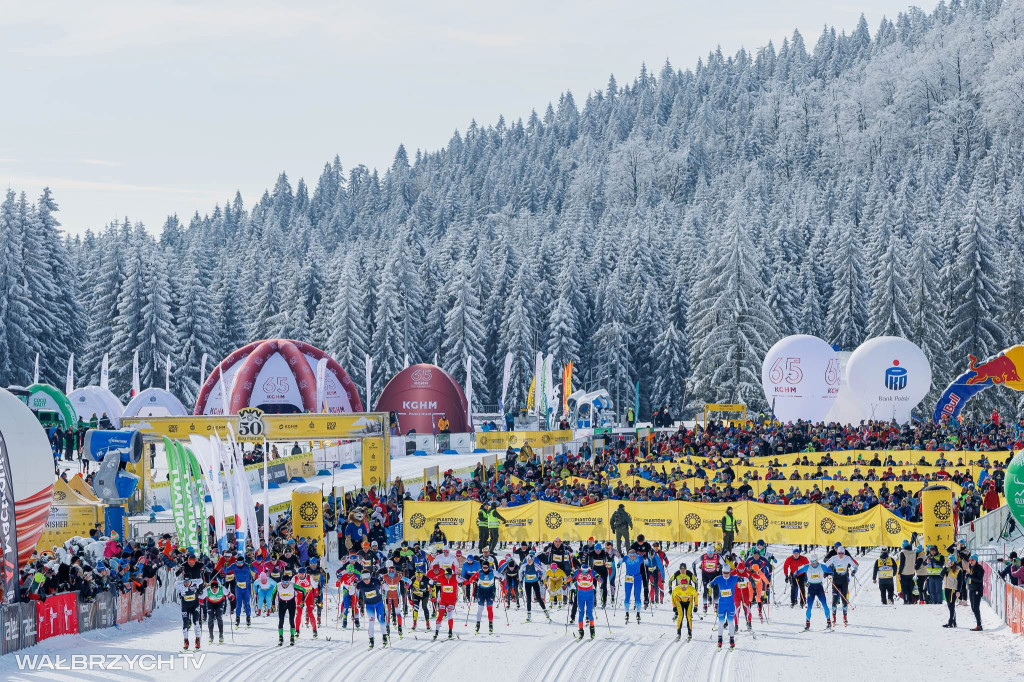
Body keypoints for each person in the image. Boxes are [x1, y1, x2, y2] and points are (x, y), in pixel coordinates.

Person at [796, 554, 832, 630]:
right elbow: (799, 571)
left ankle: (829, 622)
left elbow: (830, 571)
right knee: (809, 607)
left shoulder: (822, 566)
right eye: (811, 561)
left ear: (817, 560)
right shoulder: (807, 566)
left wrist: (828, 573)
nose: (812, 563)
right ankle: (807, 623)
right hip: (811, 588)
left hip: (819, 587)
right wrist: (795, 574)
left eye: (814, 561)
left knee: (824, 604)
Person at [824, 546, 857, 626]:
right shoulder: (834, 558)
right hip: (836, 580)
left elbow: (855, 566)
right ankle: (834, 618)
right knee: (834, 599)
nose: (840, 555)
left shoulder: (847, 558)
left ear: (844, 553)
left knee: (844, 599)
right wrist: (826, 572)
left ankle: (845, 617)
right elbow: (825, 565)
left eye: (842, 553)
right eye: (839, 553)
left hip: (844, 580)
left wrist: (854, 571)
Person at [709, 563, 738, 650]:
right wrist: (710, 585)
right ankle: (719, 639)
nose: (725, 575)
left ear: (730, 572)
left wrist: (749, 579)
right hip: (721, 605)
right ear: (722, 572)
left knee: (730, 622)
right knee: (721, 622)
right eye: (724, 573)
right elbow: (709, 584)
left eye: (727, 573)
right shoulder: (718, 578)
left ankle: (732, 640)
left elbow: (745, 579)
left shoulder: (733, 578)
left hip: (730, 605)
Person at [467, 561, 498, 635]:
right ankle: (477, 625)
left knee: (489, 608)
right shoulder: (479, 572)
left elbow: (501, 576)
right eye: (483, 567)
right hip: (481, 592)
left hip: (490, 592)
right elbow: (470, 579)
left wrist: (501, 579)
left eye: (486, 567)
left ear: (488, 567)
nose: (485, 569)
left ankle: (491, 625)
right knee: (480, 609)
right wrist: (473, 581)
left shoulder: (492, 571)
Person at [571, 562, 598, 640]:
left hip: (590, 595)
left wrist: (598, 576)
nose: (585, 573)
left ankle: (592, 631)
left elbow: (601, 581)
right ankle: (581, 632)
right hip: (580, 595)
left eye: (586, 571)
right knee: (581, 613)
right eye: (583, 571)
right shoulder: (577, 572)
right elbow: (568, 579)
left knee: (589, 614)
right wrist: (571, 574)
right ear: (581, 569)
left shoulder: (592, 572)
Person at [519, 555, 550, 622]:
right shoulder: (524, 566)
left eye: (530, 560)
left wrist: (541, 579)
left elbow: (544, 571)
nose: (529, 562)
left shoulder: (536, 565)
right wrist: (520, 580)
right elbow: (520, 572)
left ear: (533, 560)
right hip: (527, 583)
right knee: (529, 599)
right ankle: (529, 616)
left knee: (539, 598)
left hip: (535, 582)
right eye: (528, 560)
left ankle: (546, 613)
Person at [176, 578, 204, 651]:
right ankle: (186, 641)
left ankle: (197, 640)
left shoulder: (195, 583)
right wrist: (182, 582)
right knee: (185, 623)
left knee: (196, 622)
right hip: (185, 607)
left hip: (195, 606)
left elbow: (201, 580)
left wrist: (194, 583)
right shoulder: (180, 585)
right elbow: (175, 583)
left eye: (188, 582)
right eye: (185, 582)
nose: (187, 584)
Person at [432, 565, 459, 640]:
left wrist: (462, 583)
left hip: (451, 601)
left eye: (449, 575)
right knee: (440, 615)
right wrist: (432, 582)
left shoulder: (455, 577)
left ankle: (450, 632)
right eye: (446, 575)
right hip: (443, 601)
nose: (447, 576)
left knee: (449, 615)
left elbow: (466, 581)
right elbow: (432, 580)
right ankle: (436, 632)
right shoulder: (441, 576)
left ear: (451, 574)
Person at [671, 572, 699, 641]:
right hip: (679, 602)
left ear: (688, 585)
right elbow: (673, 597)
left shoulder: (691, 589)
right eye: (682, 586)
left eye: (685, 586)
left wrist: (696, 606)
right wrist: (674, 606)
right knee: (680, 616)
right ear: (679, 585)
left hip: (688, 602)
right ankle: (678, 633)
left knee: (688, 616)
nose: (683, 587)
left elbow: (696, 596)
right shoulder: (676, 589)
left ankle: (689, 633)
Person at [619, 548, 644, 623]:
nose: (632, 557)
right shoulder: (626, 558)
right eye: (631, 555)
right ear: (628, 555)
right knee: (627, 595)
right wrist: (621, 557)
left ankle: (638, 614)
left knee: (637, 595)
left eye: (634, 556)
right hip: (628, 577)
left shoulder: (639, 557)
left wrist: (645, 558)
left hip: (637, 577)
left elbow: (648, 563)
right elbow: (619, 562)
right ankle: (627, 613)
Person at [276, 569, 298, 646]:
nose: (285, 584)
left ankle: (292, 638)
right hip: (282, 603)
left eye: (286, 582)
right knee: (281, 620)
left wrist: (302, 600)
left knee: (291, 620)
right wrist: (272, 604)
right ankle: (280, 638)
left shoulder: (292, 585)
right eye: (283, 582)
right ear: (281, 581)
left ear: (289, 581)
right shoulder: (278, 585)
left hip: (291, 603)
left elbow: (303, 590)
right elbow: (273, 594)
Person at [204, 577, 227, 644]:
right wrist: (200, 601)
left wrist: (231, 597)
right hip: (210, 603)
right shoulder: (207, 590)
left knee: (219, 617)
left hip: (220, 602)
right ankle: (211, 636)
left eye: (215, 588)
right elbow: (200, 597)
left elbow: (229, 594)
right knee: (210, 618)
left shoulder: (221, 588)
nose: (214, 590)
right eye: (213, 588)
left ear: (218, 587)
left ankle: (221, 635)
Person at [940, 554, 961, 628]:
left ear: (954, 561)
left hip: (952, 589)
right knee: (949, 605)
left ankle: (950, 622)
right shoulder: (947, 568)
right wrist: (946, 567)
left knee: (951, 605)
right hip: (946, 587)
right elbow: (941, 574)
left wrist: (958, 591)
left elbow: (960, 581)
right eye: (949, 560)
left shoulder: (958, 569)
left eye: (952, 561)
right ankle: (953, 622)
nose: (950, 562)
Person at [966, 553, 984, 631]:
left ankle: (979, 625)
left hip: (977, 589)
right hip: (971, 589)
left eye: (972, 560)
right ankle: (979, 623)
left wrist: (970, 576)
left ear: (976, 560)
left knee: (976, 607)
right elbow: (969, 578)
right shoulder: (970, 567)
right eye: (970, 560)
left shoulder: (979, 568)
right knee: (973, 608)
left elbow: (979, 579)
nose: (971, 561)